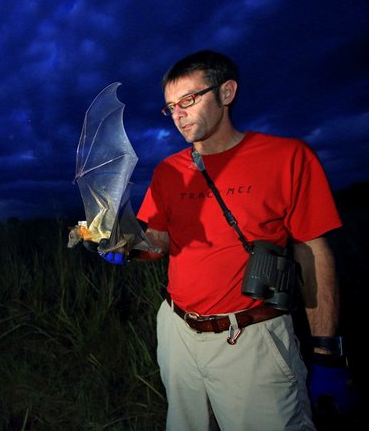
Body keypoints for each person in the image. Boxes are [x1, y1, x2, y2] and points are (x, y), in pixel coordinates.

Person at [99, 50, 352, 430]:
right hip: (176, 331)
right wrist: (124, 246)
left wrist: (325, 350)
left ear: (227, 92)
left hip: (252, 336)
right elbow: (157, 243)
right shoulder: (169, 172)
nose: (179, 114)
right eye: (170, 108)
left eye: (189, 100)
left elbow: (313, 251)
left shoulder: (287, 157)